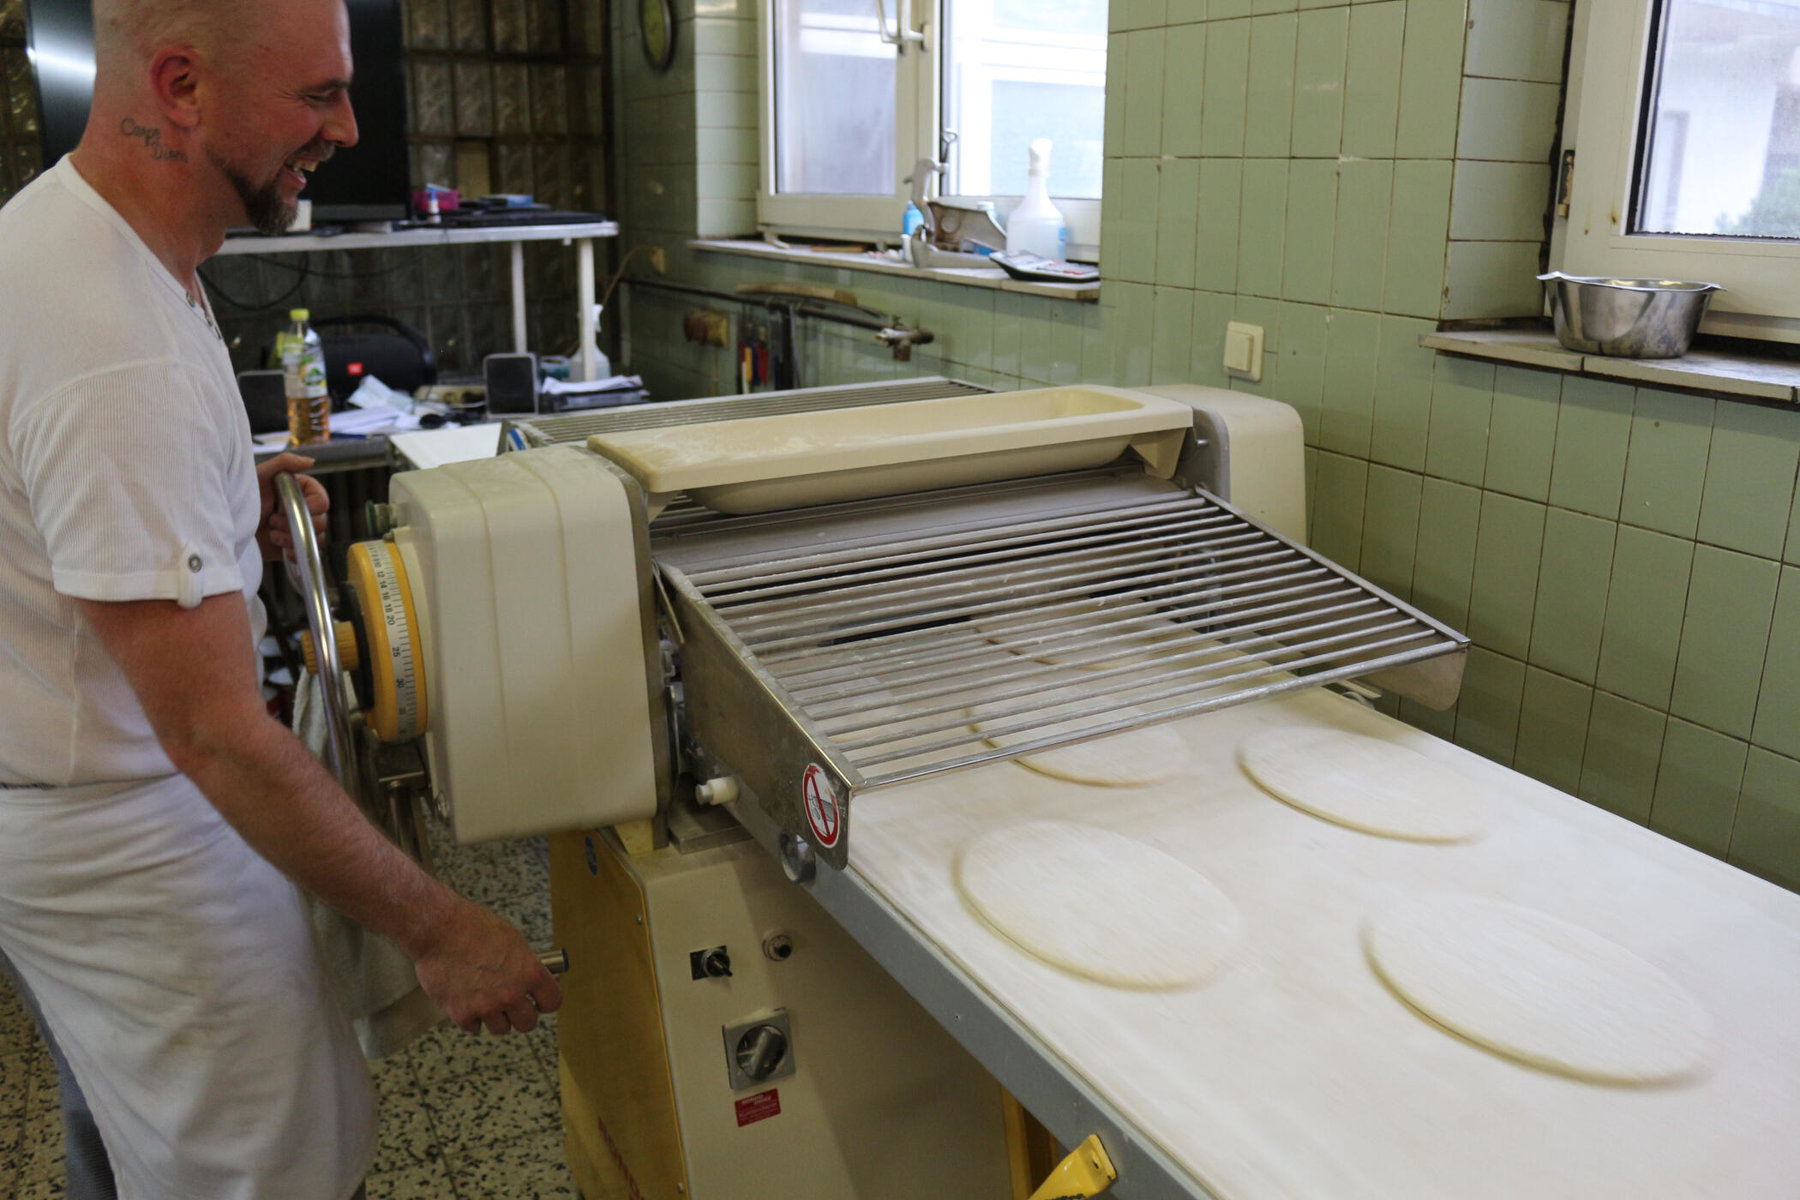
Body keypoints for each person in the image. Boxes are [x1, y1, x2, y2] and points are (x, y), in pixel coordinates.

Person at [0, 0, 562, 1196]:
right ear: (182, 84)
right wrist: (442, 930)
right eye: (318, 96)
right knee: (275, 1164)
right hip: (125, 833)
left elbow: (53, 514)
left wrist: (205, 510)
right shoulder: (114, 345)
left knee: (121, 1130)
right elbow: (214, 734)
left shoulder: (77, 242)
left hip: (71, 786)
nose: (350, 129)